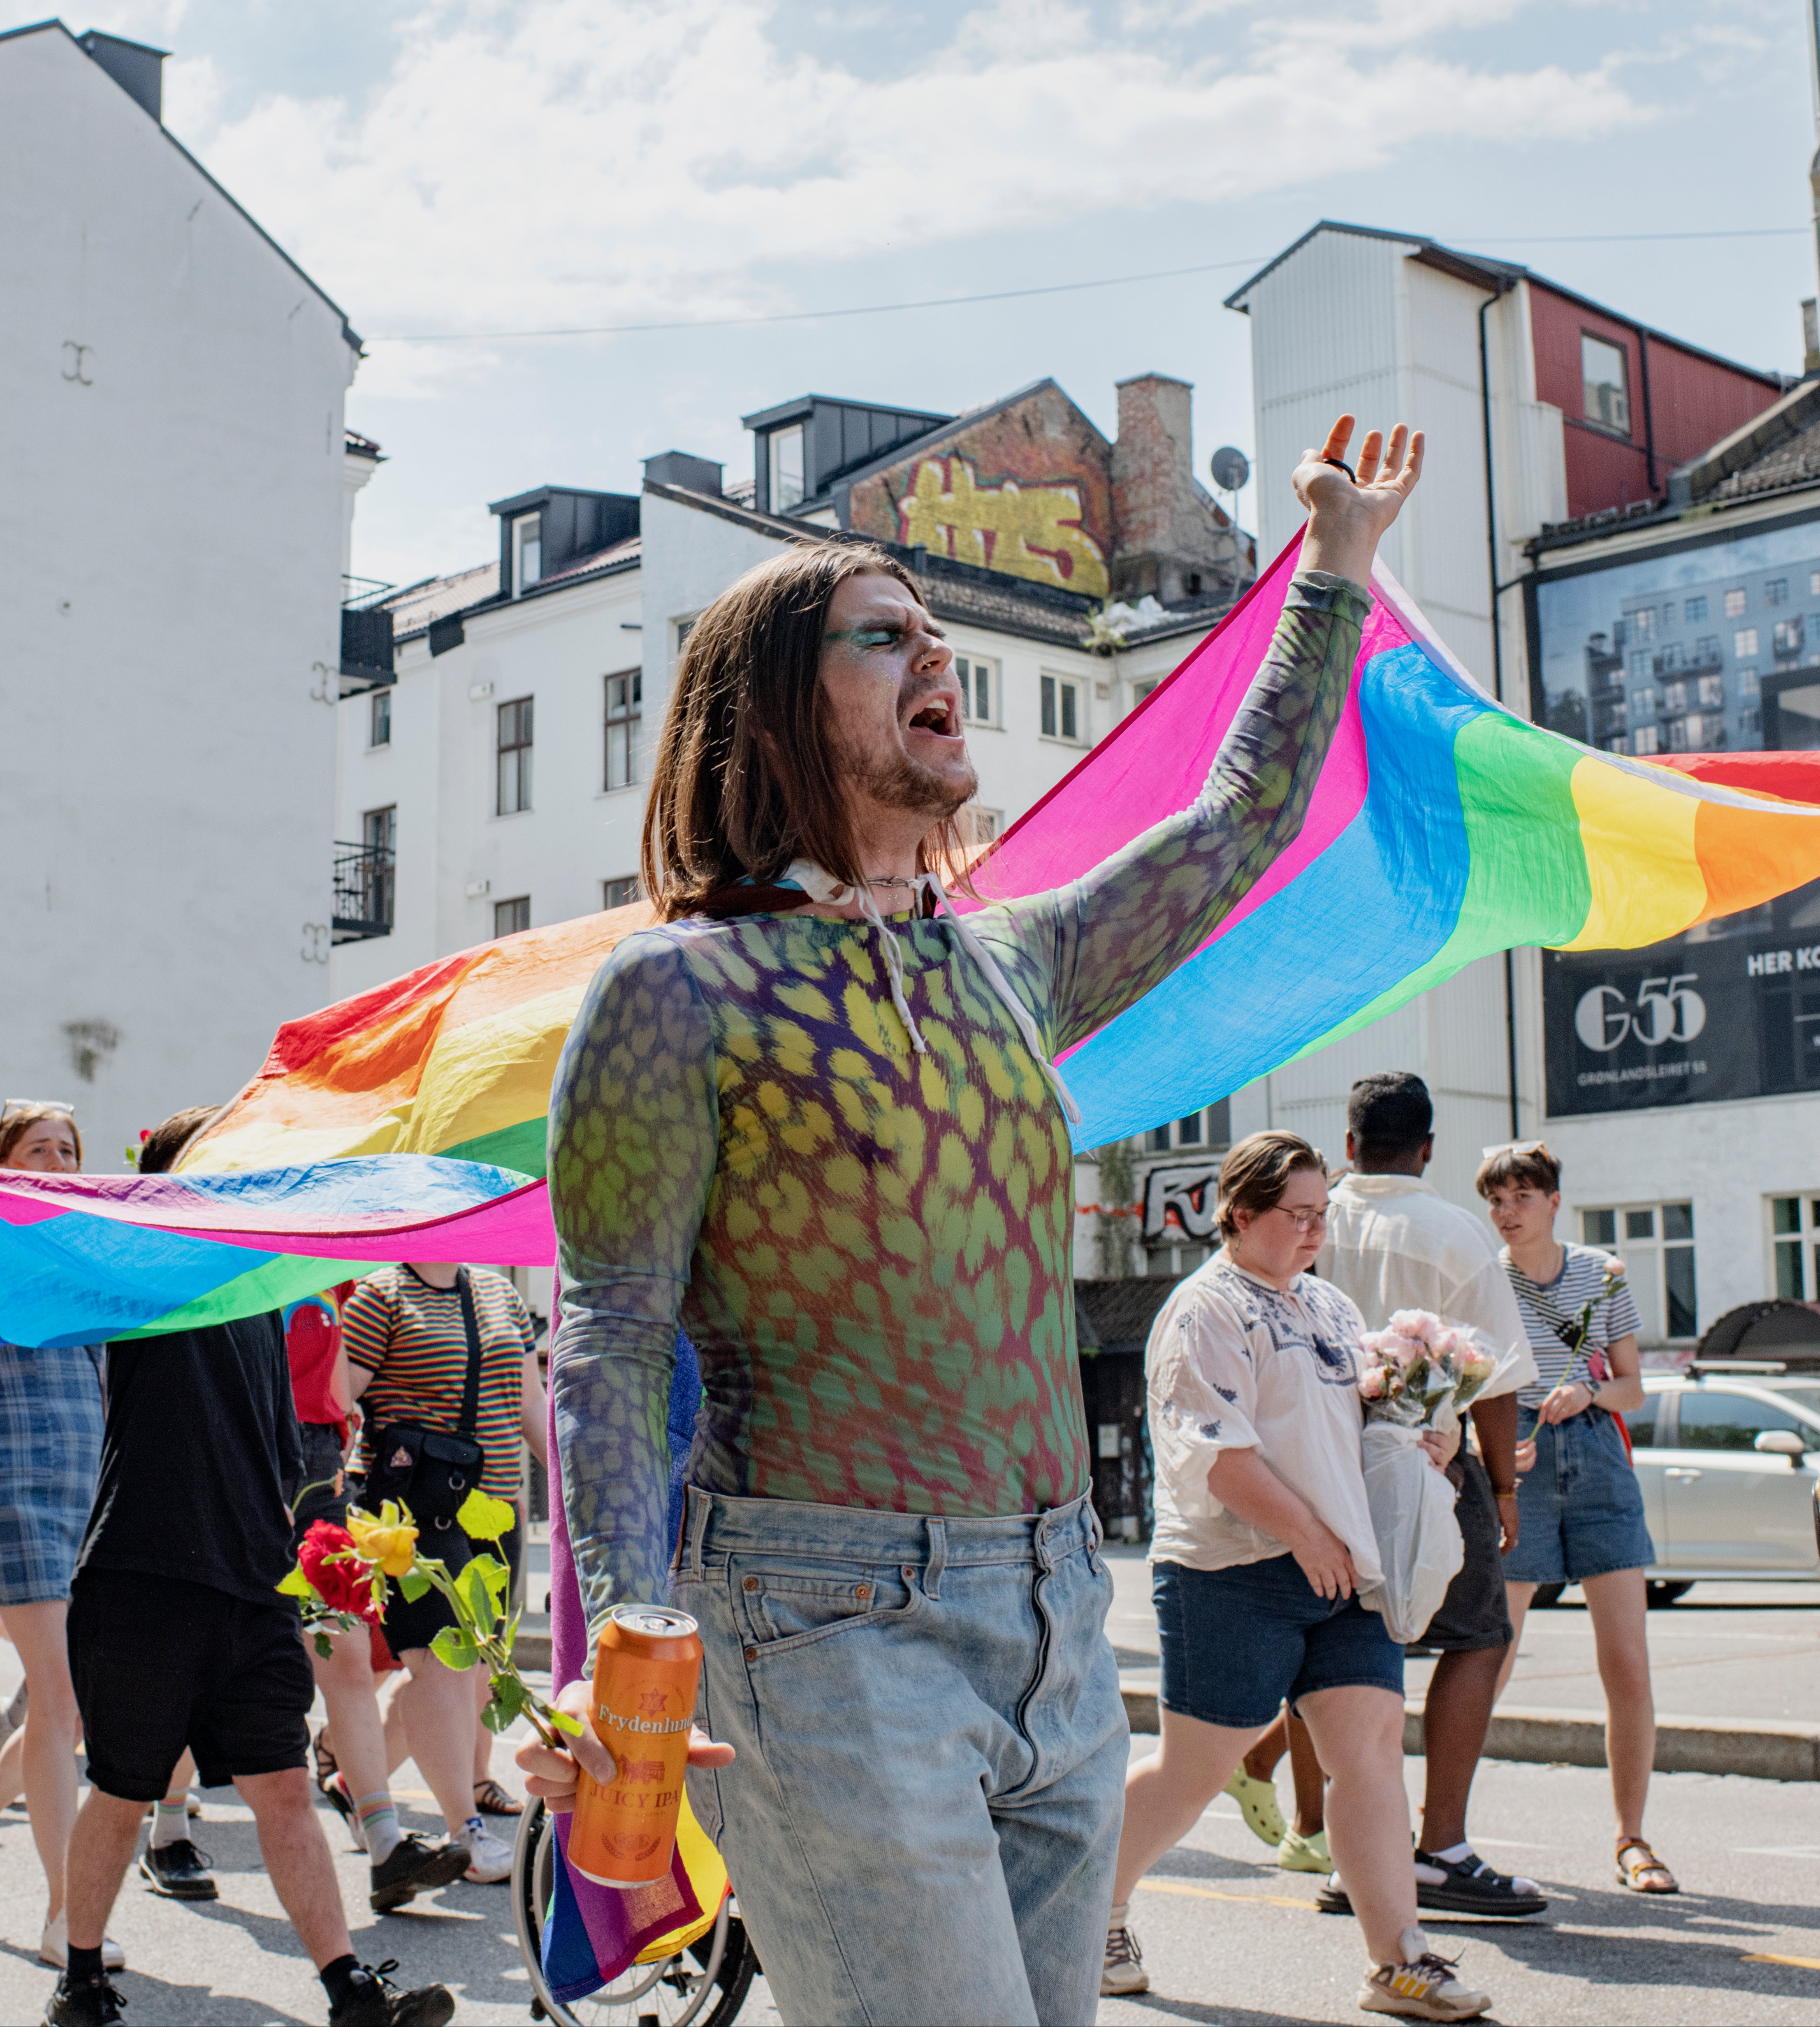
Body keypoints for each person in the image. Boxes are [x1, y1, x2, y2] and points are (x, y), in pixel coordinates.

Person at [529, 415, 1422, 2027]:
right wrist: (620, 1639)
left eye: (938, 635)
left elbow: (1238, 825)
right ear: (776, 707)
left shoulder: (1012, 959)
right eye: (887, 638)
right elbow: (608, 1329)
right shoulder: (677, 992)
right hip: (816, 1623)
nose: (937, 656)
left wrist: (1337, 565)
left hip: (1058, 1618)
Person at [43, 1104, 457, 2027]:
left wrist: (322, 1561)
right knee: (123, 1787)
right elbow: (65, 1229)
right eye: (219, 1158)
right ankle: (77, 1979)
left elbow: (287, 1465)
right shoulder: (142, 1269)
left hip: (251, 1585)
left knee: (282, 1788)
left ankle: (349, 1986)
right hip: (144, 1574)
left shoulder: (261, 1297)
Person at [1104, 1133, 1490, 2021]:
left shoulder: (1325, 1303)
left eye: (1323, 1215)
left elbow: (1348, 1425)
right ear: (1240, 1215)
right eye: (1299, 1215)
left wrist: (1425, 1435)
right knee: (1196, 1769)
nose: (1316, 1231)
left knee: (1367, 1754)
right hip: (1229, 1571)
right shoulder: (1201, 1310)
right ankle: (1095, 1910)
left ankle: (1399, 1959)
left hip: (1341, 1569)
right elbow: (1217, 1459)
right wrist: (1306, 1533)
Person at [1308, 1072, 1541, 1920]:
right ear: (1428, 1145)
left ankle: (1349, 1850)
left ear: (1347, 1144)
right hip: (1427, 1462)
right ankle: (1439, 1845)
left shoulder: (1309, 1220)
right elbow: (1497, 1374)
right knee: (1477, 1634)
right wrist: (1504, 1485)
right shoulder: (1453, 1231)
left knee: (1339, 1649)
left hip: (1319, 1472)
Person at [0, 1076, 119, 1969]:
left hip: (90, 1495)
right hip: (17, 1490)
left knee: (56, 1706)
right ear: (3, 1165)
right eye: (35, 1147)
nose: (55, 1162)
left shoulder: (87, 1262)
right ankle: (61, 1914)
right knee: (63, 1700)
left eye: (67, 1150)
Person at [1480, 1139, 1671, 1897]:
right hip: (1516, 1459)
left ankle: (1631, 1836)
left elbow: (1633, 1388)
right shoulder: (1483, 1279)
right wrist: (1486, 1447)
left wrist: (1588, 1393)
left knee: (1625, 1663)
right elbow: (1468, 1385)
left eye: (1521, 1197)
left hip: (1594, 1456)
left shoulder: (1599, 1274)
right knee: (1489, 1655)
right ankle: (1437, 1827)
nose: (1506, 1212)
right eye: (1495, 1199)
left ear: (1553, 1201)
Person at [335, 1260, 548, 1892]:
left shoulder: (499, 1290)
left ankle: (355, 1779)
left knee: (468, 1673)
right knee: (443, 1664)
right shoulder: (381, 1293)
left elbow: (529, 1399)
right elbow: (336, 1398)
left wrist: (569, 1478)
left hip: (493, 1512)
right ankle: (464, 1829)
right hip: (413, 1511)